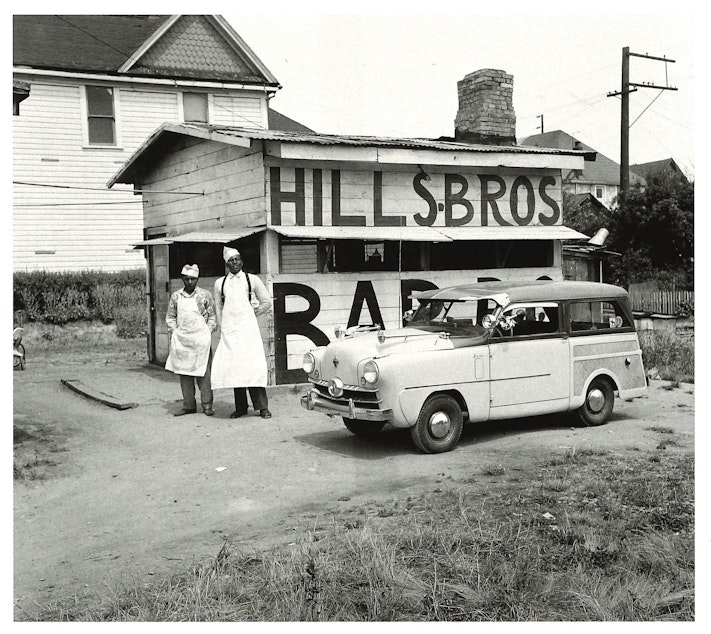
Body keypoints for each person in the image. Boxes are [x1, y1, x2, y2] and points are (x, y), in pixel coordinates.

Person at [211, 247, 273, 419]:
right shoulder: (220, 283)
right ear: (226, 263)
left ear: (242, 261)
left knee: (252, 367)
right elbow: (218, 307)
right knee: (235, 368)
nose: (235, 262)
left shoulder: (252, 280)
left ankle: (262, 407)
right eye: (231, 260)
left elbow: (267, 302)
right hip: (230, 331)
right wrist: (223, 328)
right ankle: (241, 407)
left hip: (248, 331)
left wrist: (254, 312)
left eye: (237, 259)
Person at [165, 264, 217, 416]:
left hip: (201, 340)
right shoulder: (176, 297)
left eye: (192, 279)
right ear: (182, 279)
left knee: (204, 374)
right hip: (183, 340)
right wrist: (174, 332)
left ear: (197, 279)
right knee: (185, 373)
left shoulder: (204, 295)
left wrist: (207, 331)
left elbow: (212, 317)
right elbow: (170, 317)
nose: (189, 282)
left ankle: (207, 404)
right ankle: (188, 405)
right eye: (186, 279)